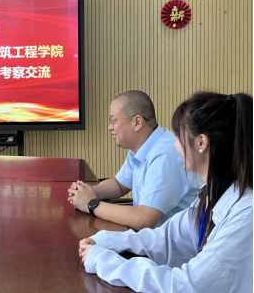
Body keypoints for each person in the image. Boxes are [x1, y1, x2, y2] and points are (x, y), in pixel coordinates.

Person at [79, 91, 253, 292]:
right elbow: (167, 238)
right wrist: (106, 241)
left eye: (178, 136)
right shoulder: (210, 194)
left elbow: (185, 285)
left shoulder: (245, 213)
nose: (175, 144)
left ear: (201, 143)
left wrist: (104, 260)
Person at [69, 90, 201, 230]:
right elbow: (119, 184)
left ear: (137, 122)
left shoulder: (165, 156)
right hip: (148, 236)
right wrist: (88, 192)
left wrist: (91, 204)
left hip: (168, 241)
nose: (110, 127)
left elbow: (143, 219)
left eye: (114, 120)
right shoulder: (142, 146)